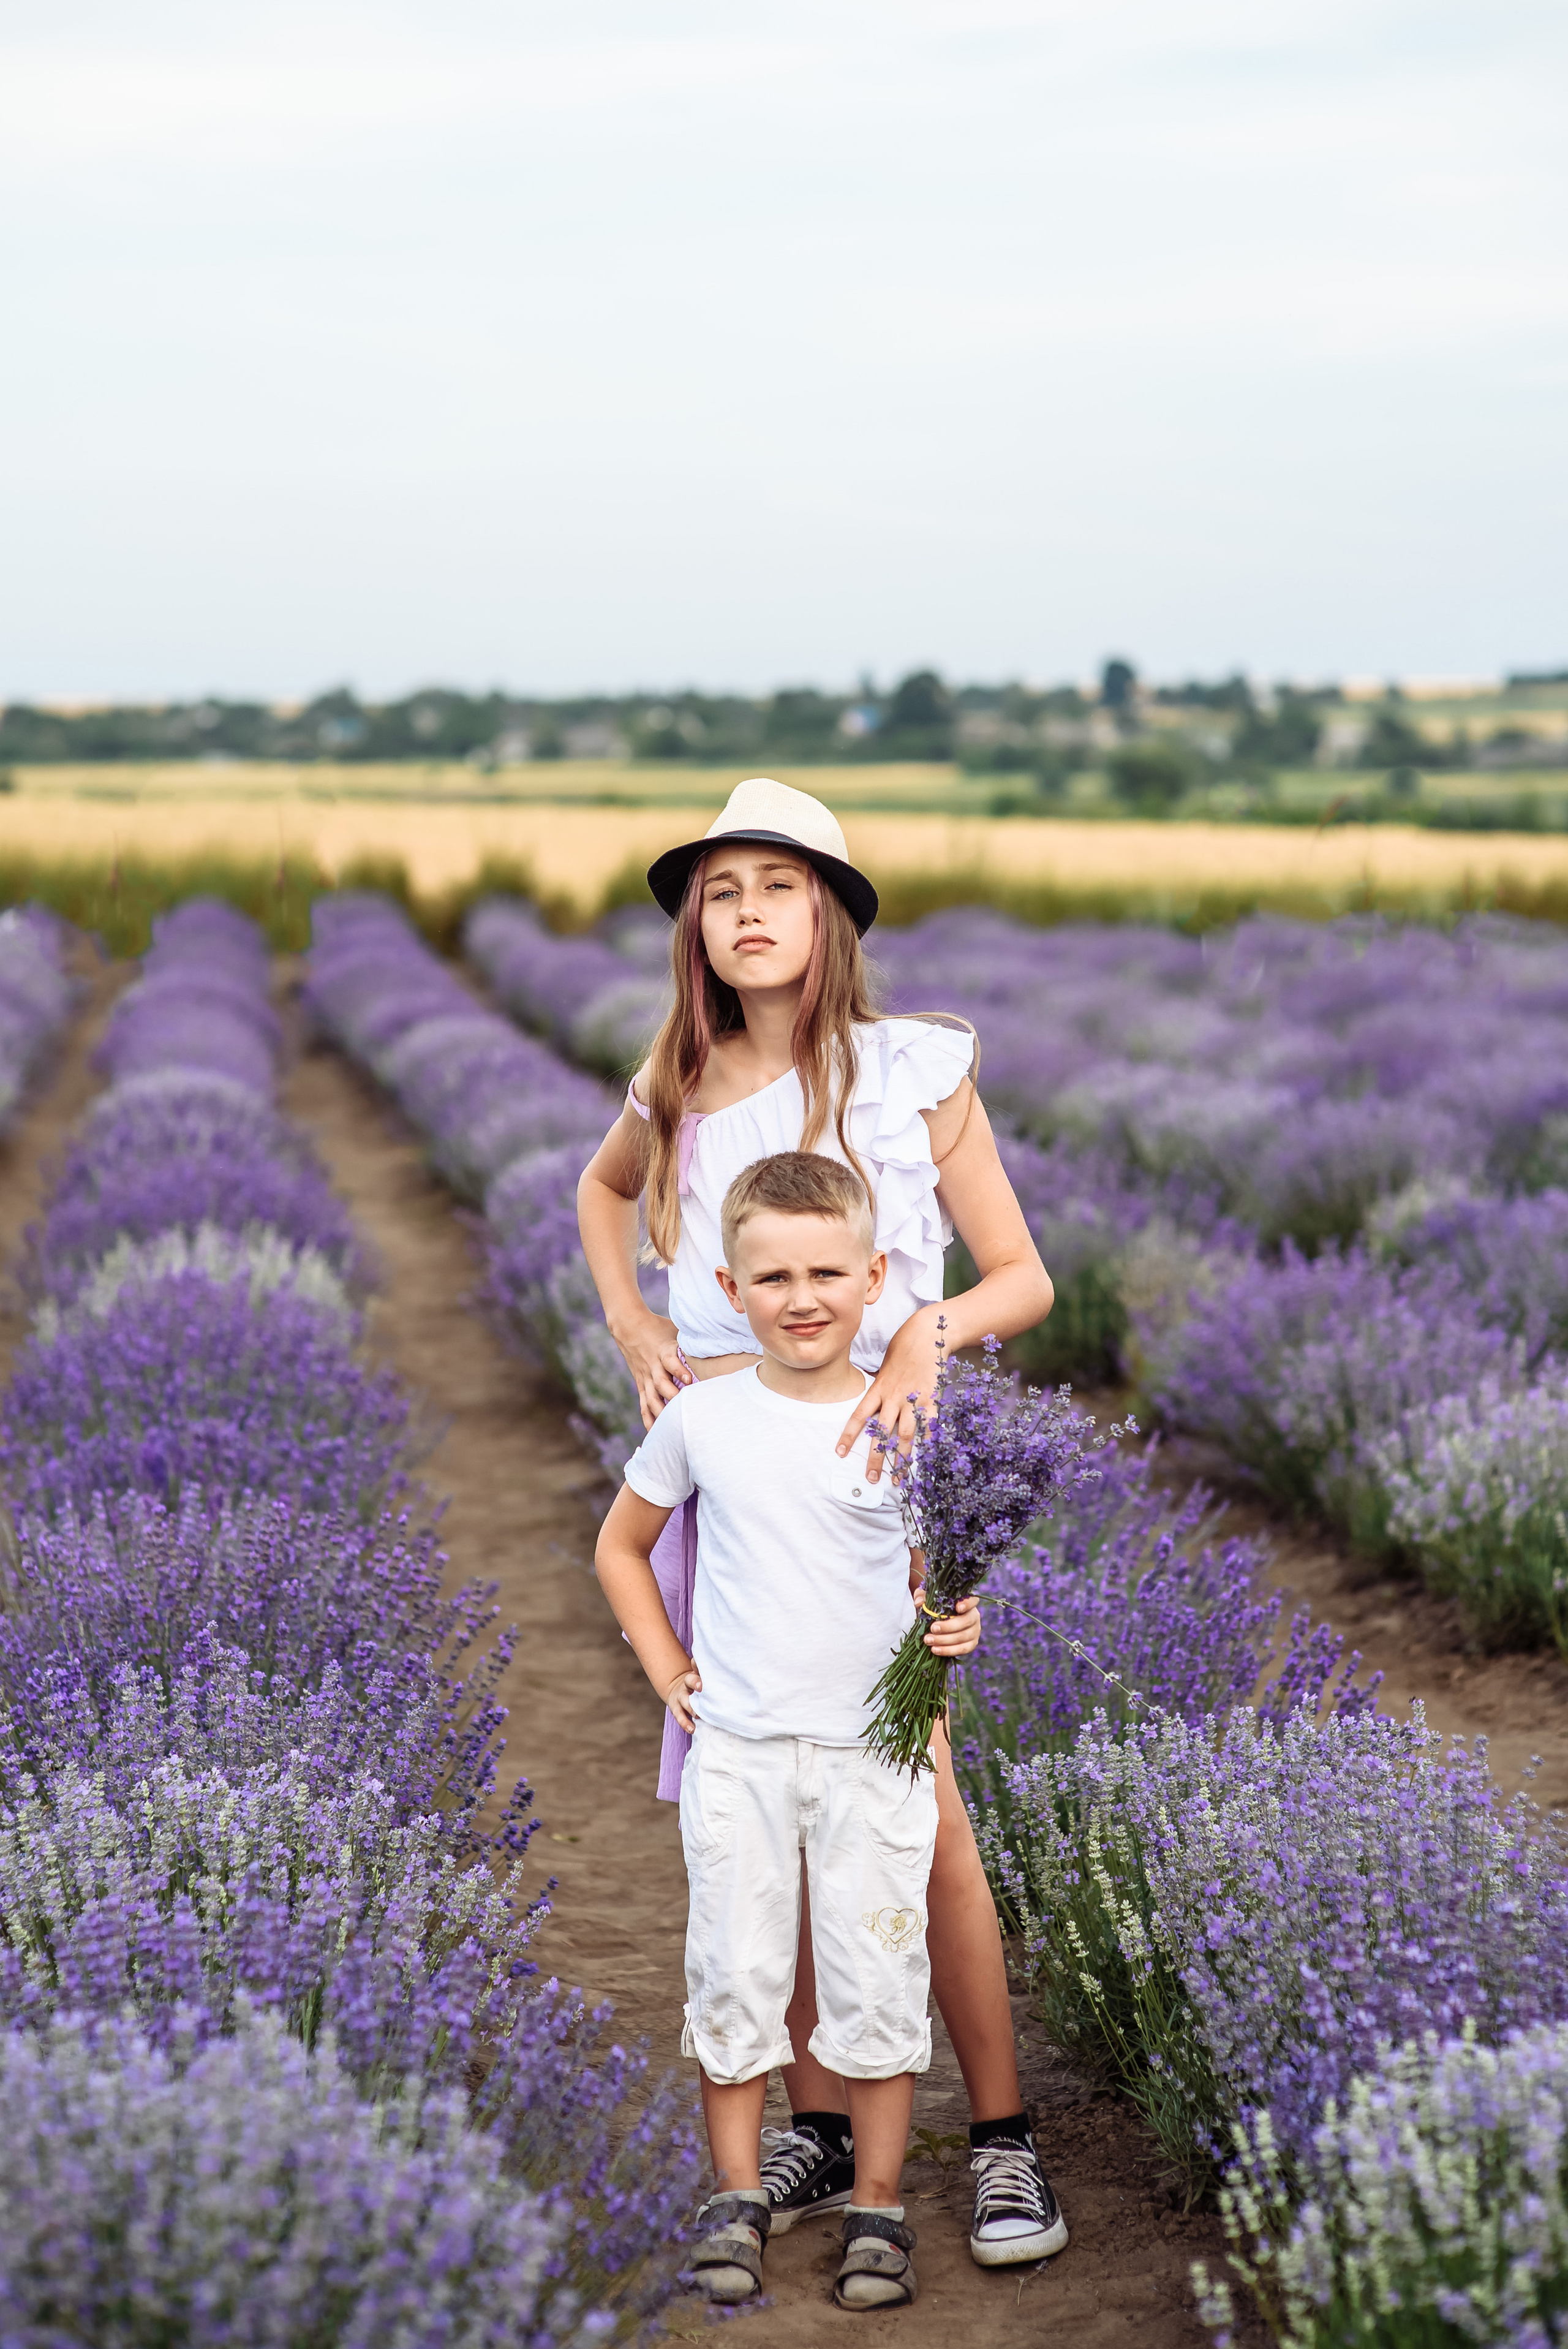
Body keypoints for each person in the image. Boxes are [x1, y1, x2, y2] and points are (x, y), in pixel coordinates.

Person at [578, 776, 1069, 2271]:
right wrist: (630, 1330)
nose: (743, 915)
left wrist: (922, 1337)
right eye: (716, 893)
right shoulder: (681, 1077)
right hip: (731, 1467)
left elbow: (1020, 1277)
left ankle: (999, 2144)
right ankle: (807, 2127)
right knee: (766, 1812)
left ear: (828, 913)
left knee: (920, 1825)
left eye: (773, 888)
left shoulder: (911, 1069)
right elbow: (603, 1198)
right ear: (696, 927)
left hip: (878, 1459)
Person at [597, 1150, 971, 2310]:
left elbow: (930, 1576)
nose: (802, 1297)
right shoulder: (706, 1418)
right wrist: (669, 1671)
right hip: (744, 1753)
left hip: (875, 1754)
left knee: (877, 1973)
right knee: (736, 1970)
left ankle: (879, 2204)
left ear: (875, 1278)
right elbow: (620, 1545)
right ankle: (738, 2191)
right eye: (773, 1278)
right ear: (729, 1283)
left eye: (826, 1273)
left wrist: (951, 1624)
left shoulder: (899, 1420)